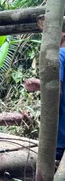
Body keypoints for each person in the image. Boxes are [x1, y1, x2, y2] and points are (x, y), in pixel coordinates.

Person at [24, 32, 65, 161]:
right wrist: (41, 85)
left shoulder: (59, 55)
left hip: (60, 136)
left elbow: (56, 93)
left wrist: (48, 130)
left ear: (62, 33)